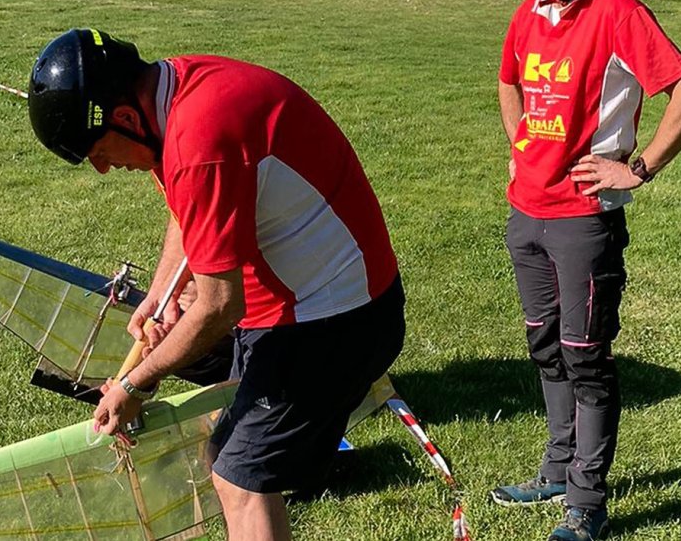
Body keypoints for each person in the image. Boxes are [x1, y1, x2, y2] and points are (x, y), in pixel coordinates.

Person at [26, 28, 406, 541]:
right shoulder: (172, 94)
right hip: (300, 305)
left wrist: (137, 384)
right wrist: (161, 295)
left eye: (95, 150)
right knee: (228, 458)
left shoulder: (198, 140)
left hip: (335, 318)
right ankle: (309, 460)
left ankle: (311, 459)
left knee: (239, 478)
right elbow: (190, 213)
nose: (100, 168)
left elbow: (220, 305)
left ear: (123, 119)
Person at [492, 0, 681, 541]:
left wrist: (636, 169)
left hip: (584, 218)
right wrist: (519, 144)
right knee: (545, 344)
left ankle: (586, 501)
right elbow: (507, 81)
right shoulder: (526, 16)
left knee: (585, 355)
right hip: (526, 213)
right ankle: (558, 467)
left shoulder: (617, 12)